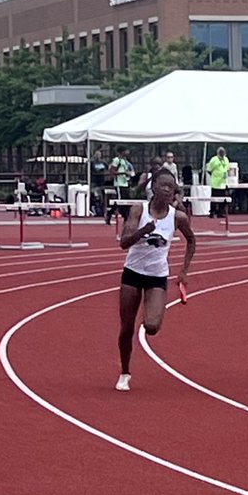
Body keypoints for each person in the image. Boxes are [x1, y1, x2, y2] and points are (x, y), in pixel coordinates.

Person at [116, 169, 195, 392]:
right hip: (132, 273)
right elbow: (124, 243)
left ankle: (152, 311)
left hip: (157, 275)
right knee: (126, 328)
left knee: (151, 327)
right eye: (164, 185)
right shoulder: (138, 209)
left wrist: (184, 271)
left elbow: (192, 241)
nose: (168, 190)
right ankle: (125, 372)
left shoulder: (177, 216)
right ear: (154, 187)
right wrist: (143, 231)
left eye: (172, 187)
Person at [106, 146, 134, 226]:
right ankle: (110, 213)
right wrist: (123, 173)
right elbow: (112, 171)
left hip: (125, 183)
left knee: (126, 201)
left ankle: (125, 217)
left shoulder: (124, 161)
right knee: (120, 201)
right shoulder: (116, 160)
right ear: (122, 152)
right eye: (126, 151)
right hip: (119, 183)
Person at [206, 146, 231, 218]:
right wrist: (214, 176)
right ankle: (212, 212)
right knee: (214, 198)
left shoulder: (226, 159)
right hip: (215, 183)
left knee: (222, 198)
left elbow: (227, 169)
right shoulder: (214, 160)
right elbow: (209, 170)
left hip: (223, 182)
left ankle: (220, 212)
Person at [90, 148, 108, 214]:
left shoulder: (103, 162)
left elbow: (108, 169)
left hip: (102, 182)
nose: (98, 156)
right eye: (96, 154)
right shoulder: (92, 162)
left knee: (102, 196)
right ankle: (95, 209)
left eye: (99, 154)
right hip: (94, 181)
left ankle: (102, 209)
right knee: (95, 195)